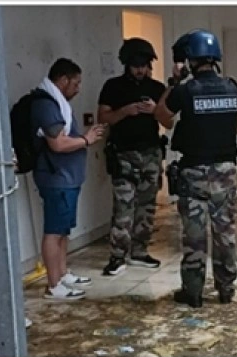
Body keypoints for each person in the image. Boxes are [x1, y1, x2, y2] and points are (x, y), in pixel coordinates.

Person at [156, 29, 237, 308]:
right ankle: (226, 290)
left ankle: (194, 293)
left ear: (190, 61)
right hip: (224, 174)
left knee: (195, 237)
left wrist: (173, 81)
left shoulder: (185, 91)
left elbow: (162, 117)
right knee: (225, 234)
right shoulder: (234, 89)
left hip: (193, 174)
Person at [31, 58, 107, 301]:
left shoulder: (58, 102)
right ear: (62, 80)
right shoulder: (46, 104)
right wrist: (87, 139)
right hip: (56, 177)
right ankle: (54, 285)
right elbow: (58, 143)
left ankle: (62, 274)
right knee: (53, 231)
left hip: (67, 177)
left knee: (63, 229)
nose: (78, 88)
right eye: (76, 83)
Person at [97, 38, 167, 277]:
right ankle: (117, 256)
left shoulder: (157, 88)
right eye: (136, 64)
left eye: (144, 64)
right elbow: (103, 118)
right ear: (126, 63)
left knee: (146, 206)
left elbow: (169, 120)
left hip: (150, 153)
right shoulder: (113, 87)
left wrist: (154, 110)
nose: (140, 69)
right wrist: (125, 111)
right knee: (123, 206)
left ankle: (140, 251)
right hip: (124, 153)